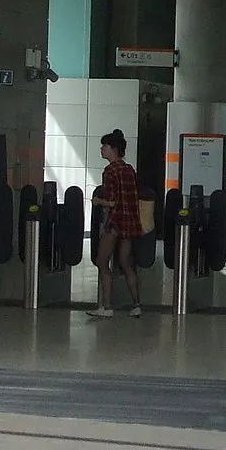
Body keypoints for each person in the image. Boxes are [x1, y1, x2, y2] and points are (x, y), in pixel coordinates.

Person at [89, 128, 143, 317]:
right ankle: (136, 305)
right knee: (126, 263)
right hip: (129, 222)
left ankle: (107, 306)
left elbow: (112, 201)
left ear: (113, 149)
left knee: (101, 261)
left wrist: (97, 201)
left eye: (104, 146)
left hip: (114, 223)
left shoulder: (110, 171)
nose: (102, 149)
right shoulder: (129, 170)